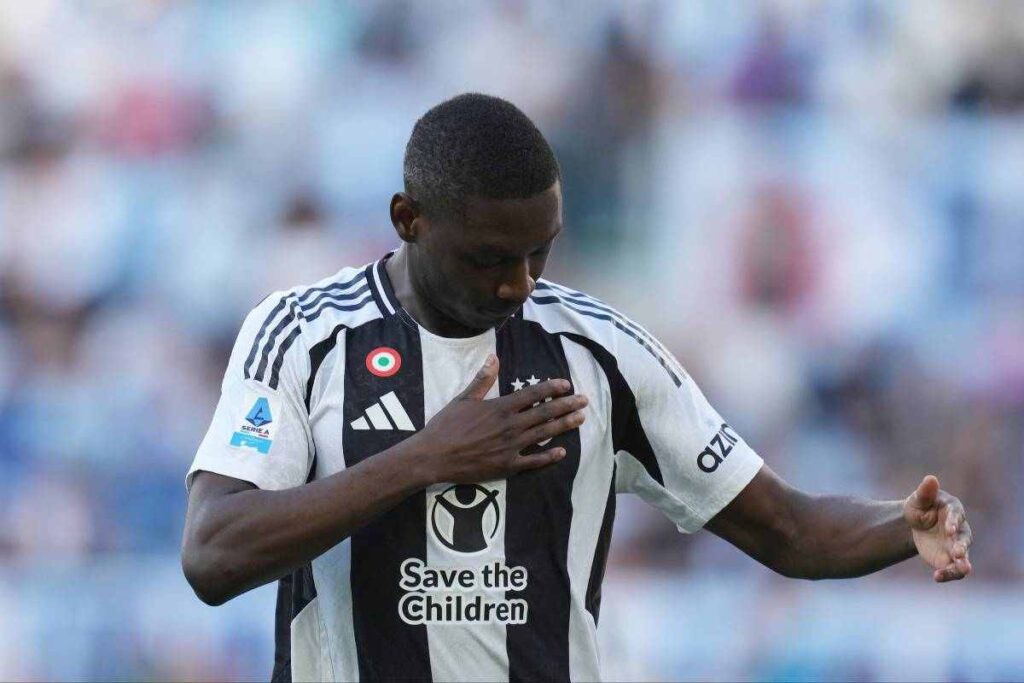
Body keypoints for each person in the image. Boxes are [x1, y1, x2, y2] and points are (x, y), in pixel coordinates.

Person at [181, 94, 973, 682]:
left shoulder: (601, 352)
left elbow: (788, 527)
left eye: (541, 251)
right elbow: (214, 552)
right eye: (490, 258)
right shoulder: (306, 336)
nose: (518, 284)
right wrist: (424, 459)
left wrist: (901, 526)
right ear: (408, 218)